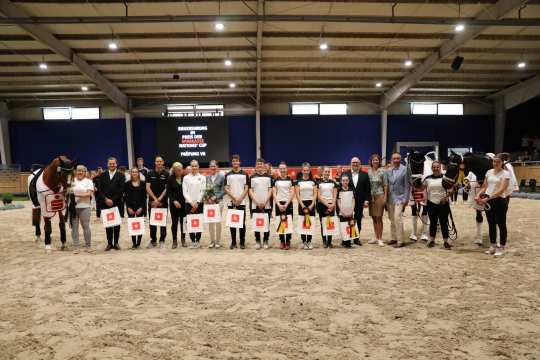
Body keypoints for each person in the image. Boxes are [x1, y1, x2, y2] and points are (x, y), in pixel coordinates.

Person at [475, 154, 510, 257]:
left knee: (501, 224)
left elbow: (501, 190)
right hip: (488, 201)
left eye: (498, 162)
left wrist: (487, 198)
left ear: (502, 162)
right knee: (491, 224)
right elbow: (484, 186)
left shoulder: (505, 174)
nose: (495, 163)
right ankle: (492, 245)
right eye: (494, 161)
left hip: (499, 201)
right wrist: (478, 194)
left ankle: (501, 247)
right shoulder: (489, 172)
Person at [340, 157, 371, 245]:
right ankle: (345, 239)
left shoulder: (365, 175)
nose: (355, 164)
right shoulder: (345, 174)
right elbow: (340, 187)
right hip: (347, 202)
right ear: (350, 163)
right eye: (353, 162)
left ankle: (356, 238)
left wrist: (367, 200)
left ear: (360, 164)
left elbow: (368, 189)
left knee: (358, 219)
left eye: (357, 162)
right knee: (346, 220)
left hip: (360, 201)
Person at [97, 157, 124, 251]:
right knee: (108, 224)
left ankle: (116, 243)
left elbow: (121, 190)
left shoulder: (121, 175)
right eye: (110, 163)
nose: (112, 165)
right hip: (105, 203)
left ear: (116, 164)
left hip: (116, 203)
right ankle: (109, 243)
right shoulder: (102, 175)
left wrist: (112, 200)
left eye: (113, 163)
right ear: (107, 164)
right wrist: (105, 199)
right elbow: (99, 190)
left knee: (116, 224)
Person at [423, 161, 452, 249]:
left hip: (443, 203)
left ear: (440, 168)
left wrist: (446, 197)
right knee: (433, 223)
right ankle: (432, 240)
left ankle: (446, 242)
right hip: (431, 203)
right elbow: (421, 187)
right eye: (434, 167)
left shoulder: (445, 178)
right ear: (432, 168)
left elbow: (451, 189)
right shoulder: (427, 178)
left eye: (437, 167)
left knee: (444, 223)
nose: (436, 169)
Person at [224, 154, 249, 249]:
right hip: (232, 202)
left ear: (239, 162)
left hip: (241, 202)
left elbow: (246, 188)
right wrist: (234, 198)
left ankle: (242, 242)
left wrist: (240, 199)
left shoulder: (245, 174)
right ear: (232, 162)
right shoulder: (228, 175)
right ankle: (233, 242)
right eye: (233, 161)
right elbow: (226, 188)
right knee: (232, 223)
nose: (235, 162)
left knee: (242, 224)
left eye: (237, 161)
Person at [385, 153, 410, 247]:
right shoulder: (388, 170)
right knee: (391, 219)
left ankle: (400, 240)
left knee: (397, 218)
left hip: (400, 198)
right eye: (394, 158)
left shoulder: (405, 169)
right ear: (392, 159)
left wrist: (406, 199)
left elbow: (407, 185)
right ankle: (393, 238)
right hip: (390, 198)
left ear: (400, 159)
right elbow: (387, 184)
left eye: (397, 158)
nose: (396, 160)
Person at [249, 158, 273, 249]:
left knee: (267, 223)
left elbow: (270, 190)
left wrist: (265, 201)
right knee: (257, 223)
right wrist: (257, 202)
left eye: (261, 164)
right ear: (256, 165)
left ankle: (266, 240)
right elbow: (250, 190)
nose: (259, 165)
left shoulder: (269, 177)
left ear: (264, 165)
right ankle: (258, 241)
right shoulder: (252, 177)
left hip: (266, 205)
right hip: (255, 204)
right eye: (258, 164)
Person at [70, 165, 95, 253]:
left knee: (86, 227)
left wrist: (75, 195)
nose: (80, 172)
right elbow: (66, 192)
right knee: (74, 228)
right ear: (75, 171)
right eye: (78, 170)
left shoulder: (88, 181)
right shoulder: (71, 181)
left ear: (85, 172)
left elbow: (88, 194)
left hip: (85, 207)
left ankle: (88, 246)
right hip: (73, 208)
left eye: (82, 171)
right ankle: (76, 246)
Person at [146, 156, 169, 249]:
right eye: (157, 161)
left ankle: (162, 240)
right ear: (155, 163)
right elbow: (147, 187)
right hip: (152, 202)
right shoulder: (150, 173)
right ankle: (153, 240)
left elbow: (167, 188)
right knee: (152, 222)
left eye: (160, 161)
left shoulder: (167, 174)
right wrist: (155, 199)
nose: (159, 163)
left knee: (162, 222)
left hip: (163, 202)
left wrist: (159, 200)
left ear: (163, 162)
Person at [183, 159, 206, 248]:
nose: (194, 167)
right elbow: (185, 192)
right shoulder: (186, 178)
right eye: (192, 166)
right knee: (190, 222)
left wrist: (197, 202)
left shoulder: (202, 178)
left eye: (196, 166)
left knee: (199, 221)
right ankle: (193, 241)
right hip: (188, 204)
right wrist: (191, 202)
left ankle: (198, 240)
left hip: (199, 203)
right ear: (190, 167)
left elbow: (202, 191)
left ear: (198, 167)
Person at [273, 161, 295, 250]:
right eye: (281, 168)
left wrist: (286, 204)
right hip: (278, 204)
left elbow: (292, 192)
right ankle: (282, 241)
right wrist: (278, 204)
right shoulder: (276, 180)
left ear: (286, 169)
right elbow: (274, 193)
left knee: (288, 223)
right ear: (279, 170)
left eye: (284, 168)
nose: (282, 170)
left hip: (288, 203)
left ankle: (288, 241)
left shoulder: (290, 180)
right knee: (280, 222)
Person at [295, 162, 317, 250]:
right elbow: (297, 194)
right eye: (304, 170)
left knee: (310, 223)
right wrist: (302, 205)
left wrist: (312, 204)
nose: (306, 171)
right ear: (302, 170)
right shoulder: (298, 182)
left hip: (311, 204)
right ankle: (304, 241)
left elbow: (315, 194)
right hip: (302, 204)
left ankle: (309, 241)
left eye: (307, 170)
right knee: (302, 223)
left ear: (309, 170)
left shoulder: (313, 182)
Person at [124, 167, 147, 249]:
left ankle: (138, 243)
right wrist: (128, 207)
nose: (134, 173)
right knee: (132, 225)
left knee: (140, 224)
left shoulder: (143, 183)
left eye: (136, 172)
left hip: (140, 207)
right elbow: (126, 197)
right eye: (133, 172)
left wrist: (141, 207)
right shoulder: (127, 184)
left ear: (138, 173)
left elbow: (144, 197)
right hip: (130, 207)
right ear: (131, 173)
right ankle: (134, 243)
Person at [367, 154, 386, 246]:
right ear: (371, 161)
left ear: (379, 161)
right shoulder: (369, 171)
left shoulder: (382, 171)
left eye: (377, 160)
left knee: (379, 217)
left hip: (380, 195)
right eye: (374, 160)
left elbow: (385, 185)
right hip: (371, 197)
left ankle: (380, 238)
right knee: (374, 217)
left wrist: (385, 197)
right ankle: (376, 236)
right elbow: (368, 185)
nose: (375, 161)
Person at [317, 166, 338, 248]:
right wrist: (327, 205)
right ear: (322, 172)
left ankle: (329, 241)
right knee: (323, 224)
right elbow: (319, 196)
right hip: (322, 205)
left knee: (330, 223)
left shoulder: (333, 183)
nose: (327, 173)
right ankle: (324, 241)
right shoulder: (318, 183)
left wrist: (332, 204)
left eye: (328, 172)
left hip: (331, 205)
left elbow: (335, 195)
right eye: (325, 171)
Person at [206, 160, 225, 248]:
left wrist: (216, 197)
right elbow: (205, 190)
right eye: (211, 166)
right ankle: (212, 241)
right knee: (210, 222)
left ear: (217, 167)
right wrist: (208, 198)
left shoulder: (222, 177)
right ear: (209, 167)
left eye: (214, 166)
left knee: (217, 221)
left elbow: (224, 190)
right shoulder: (207, 178)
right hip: (209, 203)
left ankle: (217, 241)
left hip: (219, 202)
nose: (213, 167)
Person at [168, 162, 186, 248]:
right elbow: (169, 192)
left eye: (180, 169)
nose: (179, 171)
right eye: (177, 169)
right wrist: (174, 201)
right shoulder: (170, 179)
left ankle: (183, 239)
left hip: (183, 204)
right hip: (173, 204)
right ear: (174, 170)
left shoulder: (185, 178)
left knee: (183, 222)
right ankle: (174, 240)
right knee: (174, 222)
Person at [337, 175, 356, 248]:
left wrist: (352, 210)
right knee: (343, 227)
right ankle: (345, 241)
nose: (345, 182)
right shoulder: (339, 190)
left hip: (350, 212)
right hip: (342, 212)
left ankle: (349, 241)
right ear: (341, 181)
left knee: (350, 226)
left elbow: (353, 200)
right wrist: (342, 211)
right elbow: (338, 201)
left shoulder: (351, 190)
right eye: (343, 180)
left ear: (348, 181)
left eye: (346, 180)